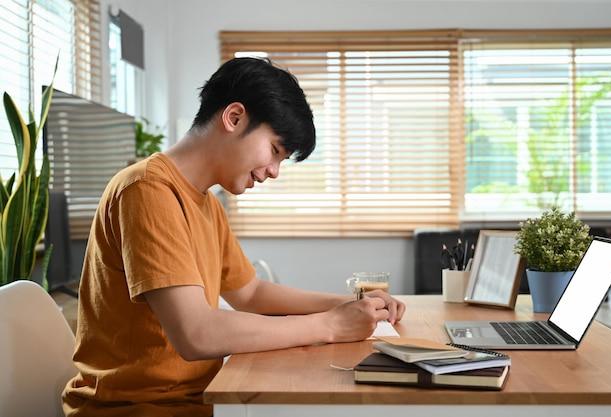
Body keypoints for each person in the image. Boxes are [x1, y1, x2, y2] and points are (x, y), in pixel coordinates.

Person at [62, 57, 406, 417]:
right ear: (234, 117)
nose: (273, 172)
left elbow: (250, 293)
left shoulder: (206, 202)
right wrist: (331, 326)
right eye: (275, 150)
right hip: (137, 409)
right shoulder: (147, 189)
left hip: (198, 400)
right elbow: (196, 334)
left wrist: (345, 305)